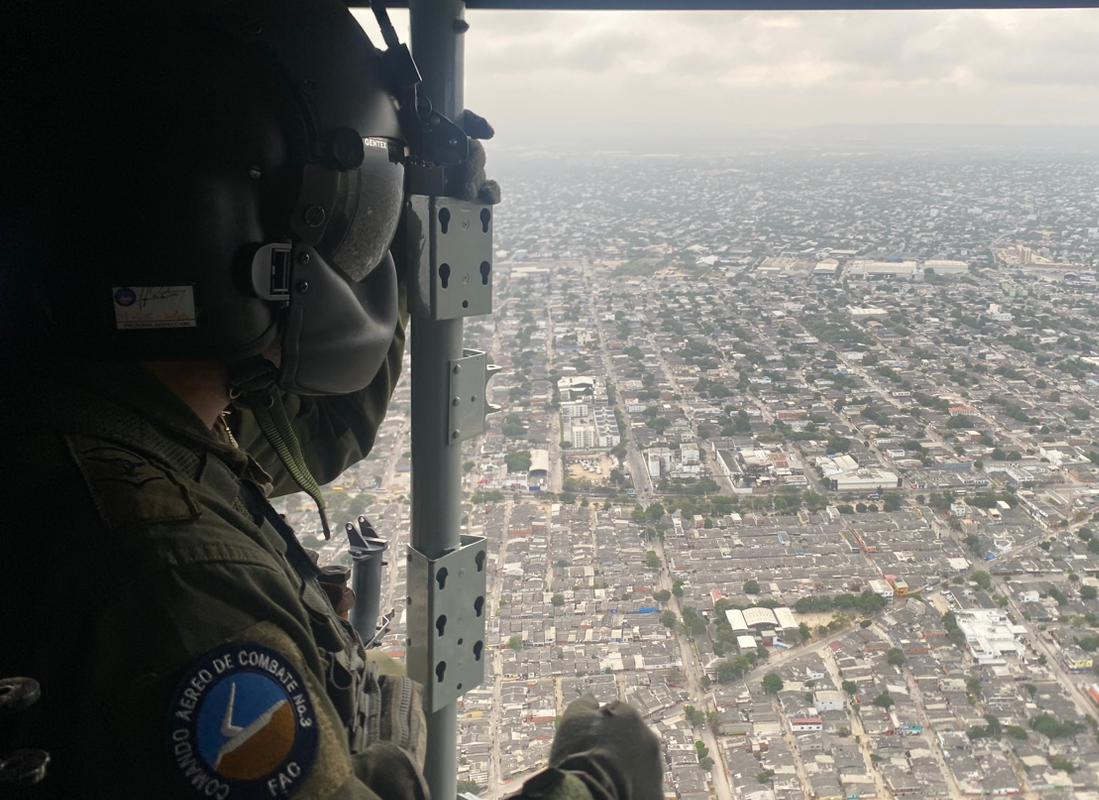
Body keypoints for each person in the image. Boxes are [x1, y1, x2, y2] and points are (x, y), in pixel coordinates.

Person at [0, 1, 661, 798]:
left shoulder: (104, 423)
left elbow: (312, 436)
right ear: (245, 226)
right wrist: (601, 785)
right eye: (357, 210)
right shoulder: (171, 580)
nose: (359, 244)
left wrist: (413, 221)